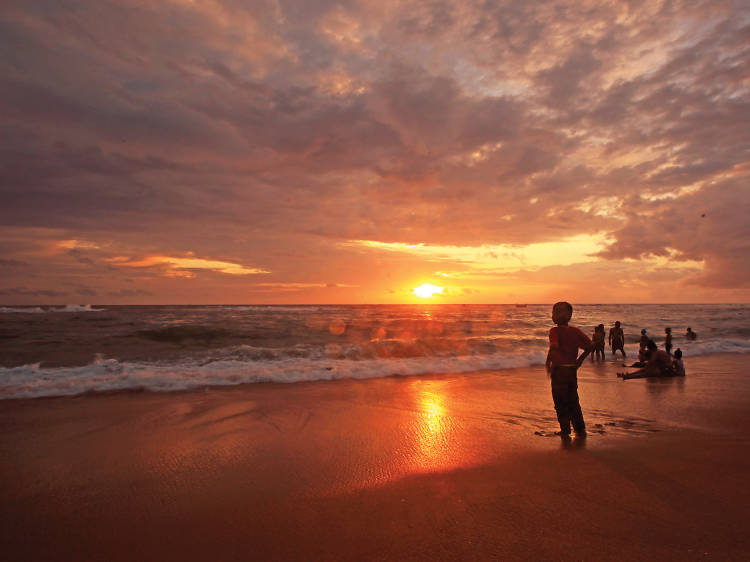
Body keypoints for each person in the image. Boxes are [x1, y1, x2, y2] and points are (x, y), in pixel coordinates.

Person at [545, 302, 593, 438]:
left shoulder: (554, 331)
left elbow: (554, 346)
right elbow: (590, 346)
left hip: (559, 371)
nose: (556, 314)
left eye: (558, 311)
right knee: (573, 400)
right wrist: (579, 361)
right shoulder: (575, 331)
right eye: (555, 311)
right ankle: (579, 427)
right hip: (572, 370)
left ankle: (565, 429)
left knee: (560, 401)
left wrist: (548, 361)